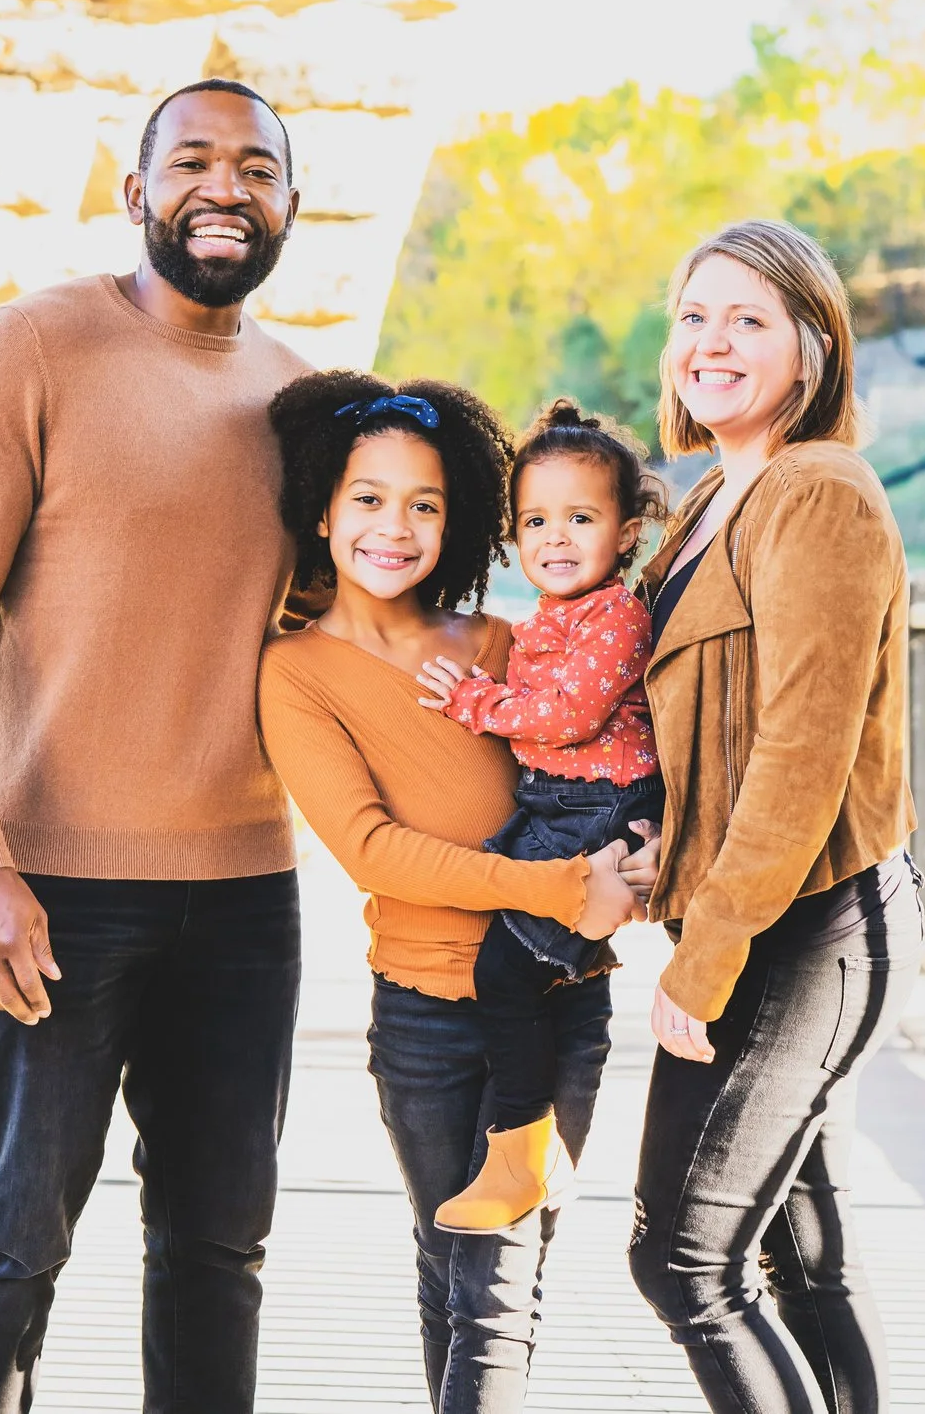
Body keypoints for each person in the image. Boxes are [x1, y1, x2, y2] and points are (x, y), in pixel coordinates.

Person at [0, 78, 312, 1414]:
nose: (224, 187)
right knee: (13, 1241)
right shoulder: (30, 351)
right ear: (137, 194)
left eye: (256, 166)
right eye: (192, 162)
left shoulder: (304, 401)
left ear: (292, 204)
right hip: (51, 893)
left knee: (217, 1249)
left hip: (247, 898)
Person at [255, 372, 641, 1414]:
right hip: (425, 1013)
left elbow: (597, 768)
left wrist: (639, 856)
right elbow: (375, 849)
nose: (396, 525)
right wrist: (562, 886)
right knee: (455, 1268)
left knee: (500, 1278)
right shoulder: (295, 672)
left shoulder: (496, 645)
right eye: (369, 498)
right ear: (323, 511)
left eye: (424, 504)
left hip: (563, 1003)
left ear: (458, 520)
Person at [622, 218, 923, 1414]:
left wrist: (703, 957)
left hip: (803, 923)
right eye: (694, 317)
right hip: (766, 914)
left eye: (749, 319)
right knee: (799, 1258)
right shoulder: (714, 495)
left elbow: (803, 748)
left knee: (684, 1262)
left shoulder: (818, 489)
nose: (713, 342)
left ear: (813, 345)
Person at [413, 399, 669, 1233]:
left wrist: (476, 701)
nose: (555, 538)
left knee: (507, 970)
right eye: (536, 520)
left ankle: (518, 1152)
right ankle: (543, 1148)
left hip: (600, 807)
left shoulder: (618, 617)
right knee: (538, 964)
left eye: (581, 517)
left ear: (626, 533)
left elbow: (567, 715)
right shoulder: (548, 617)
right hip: (556, 807)